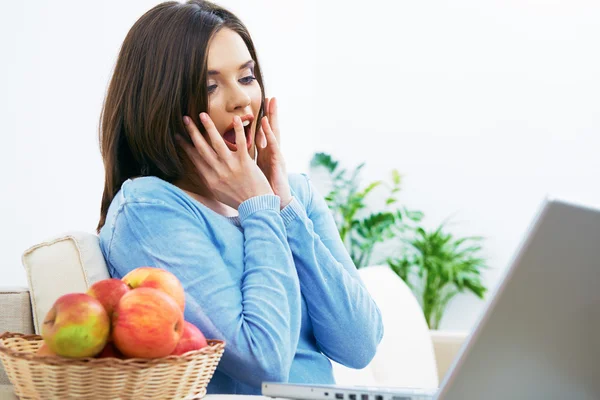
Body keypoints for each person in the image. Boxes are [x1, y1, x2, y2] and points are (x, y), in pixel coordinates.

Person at [96, 0, 383, 395]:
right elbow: (262, 359)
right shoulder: (149, 208)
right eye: (209, 86)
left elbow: (359, 345)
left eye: (247, 78)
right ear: (158, 103)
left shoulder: (292, 191)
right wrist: (259, 209)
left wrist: (283, 206)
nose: (240, 101)